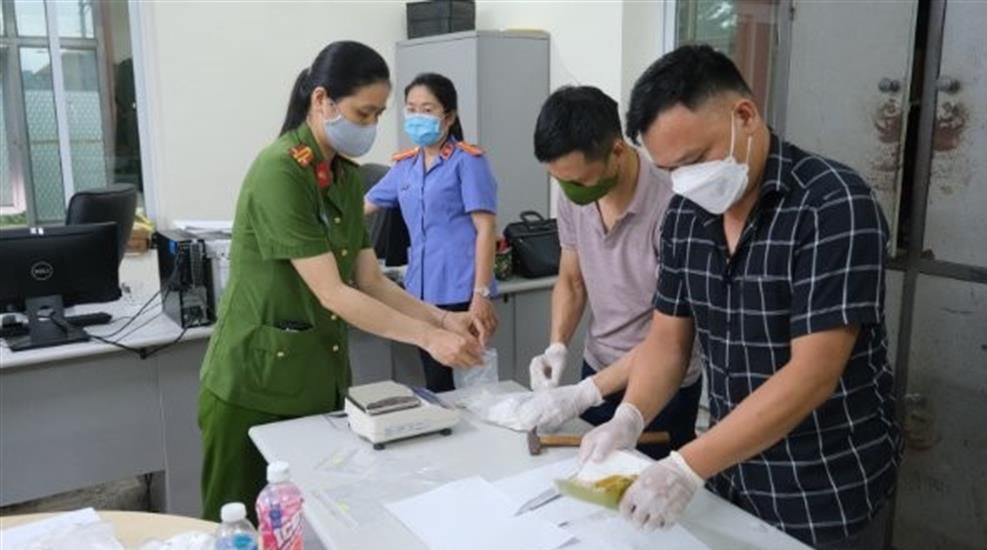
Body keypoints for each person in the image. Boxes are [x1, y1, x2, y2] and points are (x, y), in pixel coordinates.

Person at [577, 45, 902, 550]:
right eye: (670, 170)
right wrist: (631, 415)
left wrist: (685, 466)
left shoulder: (833, 204)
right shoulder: (686, 214)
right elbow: (668, 340)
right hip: (731, 476)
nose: (685, 181)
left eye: (694, 161)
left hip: (824, 489)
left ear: (744, 116)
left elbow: (812, 376)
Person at [199, 42, 484, 523]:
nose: (371, 126)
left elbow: (370, 279)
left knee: (306, 530)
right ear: (323, 101)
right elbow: (333, 291)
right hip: (255, 386)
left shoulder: (344, 178)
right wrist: (429, 338)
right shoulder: (280, 172)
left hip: (317, 382)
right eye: (363, 112)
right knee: (238, 531)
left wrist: (442, 317)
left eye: (377, 114)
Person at [512, 86, 702, 460]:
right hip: (597, 366)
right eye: (561, 181)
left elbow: (672, 337)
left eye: (580, 181)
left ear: (617, 150)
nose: (570, 191)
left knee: (650, 500)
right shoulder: (573, 194)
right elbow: (571, 279)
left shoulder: (674, 206)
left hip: (662, 384)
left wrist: (584, 393)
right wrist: (557, 346)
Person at [365, 73, 499, 392]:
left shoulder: (468, 161)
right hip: (419, 295)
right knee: (435, 382)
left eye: (427, 109)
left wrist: (480, 295)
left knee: (465, 383)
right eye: (411, 109)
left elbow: (486, 228)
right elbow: (362, 206)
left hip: (460, 290)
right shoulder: (405, 166)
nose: (417, 117)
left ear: (448, 116)